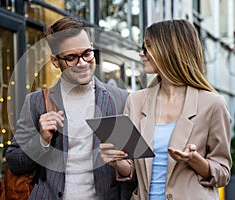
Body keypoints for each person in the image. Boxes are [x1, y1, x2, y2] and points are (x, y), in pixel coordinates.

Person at [99, 19, 232, 200]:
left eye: (147, 47)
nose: (141, 53)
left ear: (168, 50)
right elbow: (133, 171)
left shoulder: (213, 104)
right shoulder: (135, 101)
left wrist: (195, 160)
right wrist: (116, 162)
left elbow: (223, 172)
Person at [5, 16, 135, 199]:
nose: (82, 63)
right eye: (71, 58)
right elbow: (14, 162)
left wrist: (119, 164)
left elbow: (137, 168)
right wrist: (42, 140)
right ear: (55, 61)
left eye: (87, 53)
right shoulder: (36, 102)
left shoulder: (121, 99)